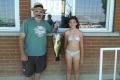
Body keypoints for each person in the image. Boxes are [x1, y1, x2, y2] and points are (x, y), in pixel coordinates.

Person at [19, 2, 57, 80]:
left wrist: (55, 26)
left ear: (43, 13)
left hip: (42, 54)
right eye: (36, 11)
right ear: (33, 12)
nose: (38, 13)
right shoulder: (27, 22)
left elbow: (50, 31)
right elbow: (21, 38)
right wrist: (22, 53)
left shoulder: (45, 23)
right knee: (29, 75)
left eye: (41, 11)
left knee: (38, 72)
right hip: (29, 54)